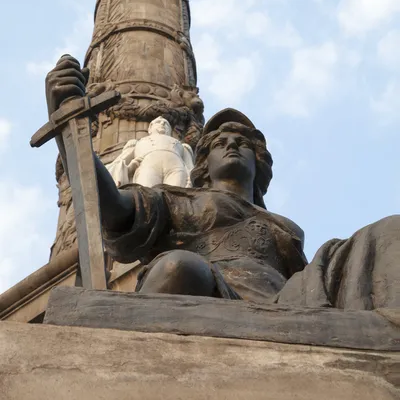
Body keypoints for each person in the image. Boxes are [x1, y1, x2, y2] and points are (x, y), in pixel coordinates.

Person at [46, 55, 400, 308]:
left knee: (388, 232)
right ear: (202, 164)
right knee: (177, 267)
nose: (231, 144)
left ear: (258, 164)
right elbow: (116, 209)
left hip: (285, 301)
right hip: (205, 286)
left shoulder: (283, 227)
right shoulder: (176, 199)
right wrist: (72, 136)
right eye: (218, 143)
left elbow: (307, 282)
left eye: (243, 143)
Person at [106, 116, 194, 188]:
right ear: (150, 129)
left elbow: (190, 167)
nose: (162, 124)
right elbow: (119, 162)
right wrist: (129, 168)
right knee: (146, 194)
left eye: (166, 124)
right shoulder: (137, 143)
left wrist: (191, 179)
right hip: (148, 167)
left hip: (176, 168)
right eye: (158, 122)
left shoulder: (182, 146)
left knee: (177, 197)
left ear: (170, 131)